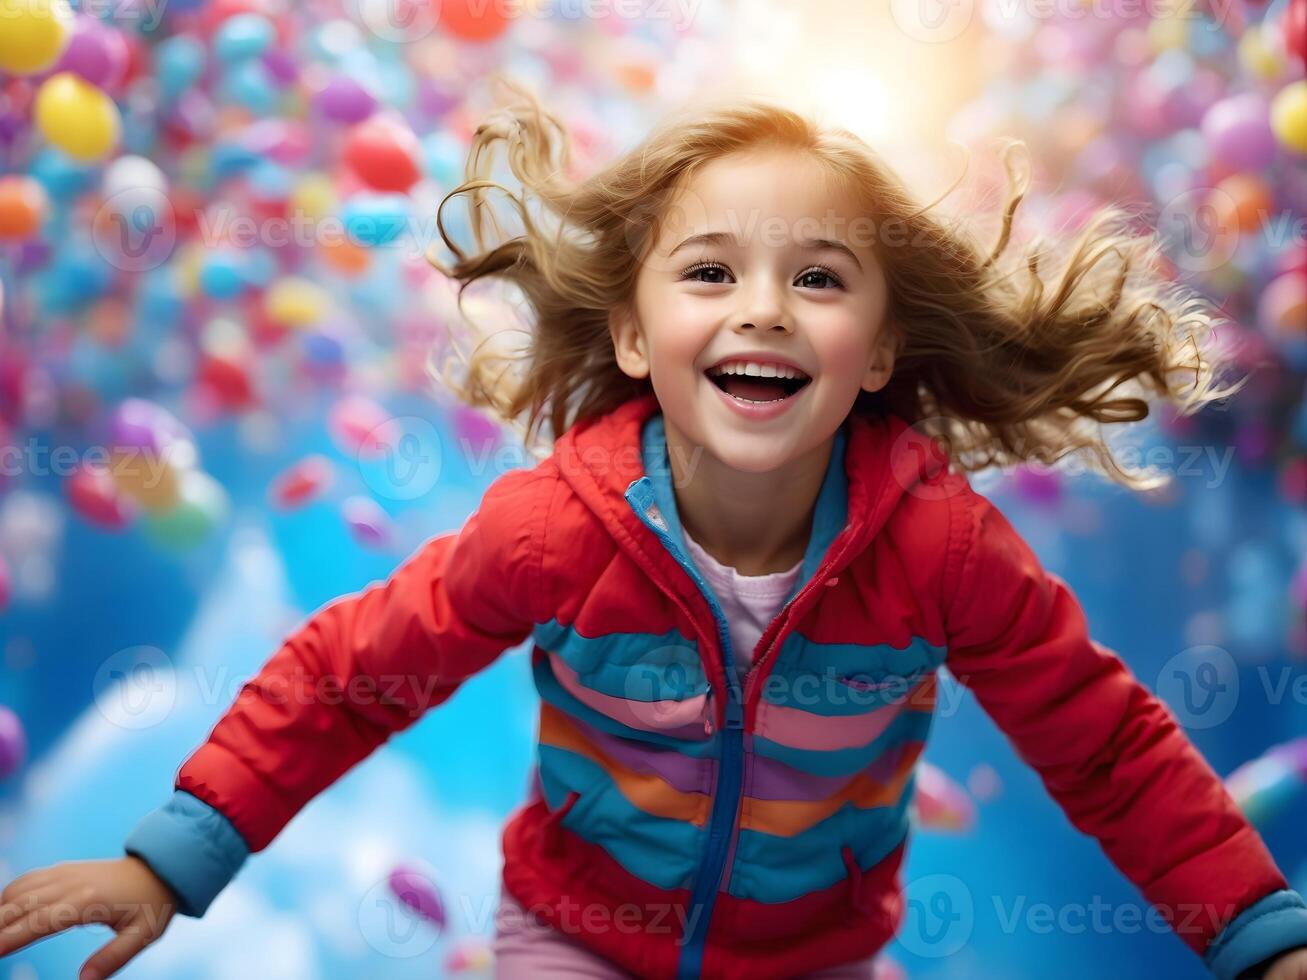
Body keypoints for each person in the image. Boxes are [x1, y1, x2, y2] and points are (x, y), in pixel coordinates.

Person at [4, 76, 1307, 980]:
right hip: (577, 937)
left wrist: (1256, 933)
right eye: (710, 271)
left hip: (819, 955)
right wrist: (172, 862)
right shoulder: (557, 531)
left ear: (876, 353)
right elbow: (347, 678)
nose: (765, 309)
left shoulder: (941, 550)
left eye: (818, 277)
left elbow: (1111, 750)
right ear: (634, 336)